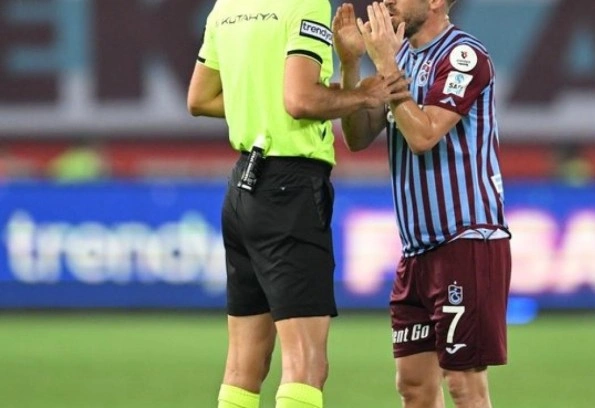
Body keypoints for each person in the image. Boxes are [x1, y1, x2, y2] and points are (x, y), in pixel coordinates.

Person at [186, 1, 408, 407]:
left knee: (243, 365)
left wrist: (264, 106)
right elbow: (301, 101)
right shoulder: (305, 4)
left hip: (242, 187)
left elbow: (199, 98)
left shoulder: (226, 7)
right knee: (306, 364)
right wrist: (362, 94)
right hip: (288, 190)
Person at [334, 1, 512, 407]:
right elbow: (358, 137)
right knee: (413, 386)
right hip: (416, 253)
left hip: (465, 240)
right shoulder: (401, 60)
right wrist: (351, 64)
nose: (387, 2)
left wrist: (386, 64)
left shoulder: (463, 56)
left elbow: (424, 135)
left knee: (464, 385)